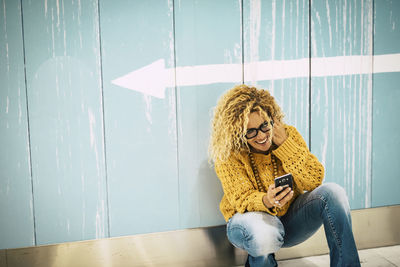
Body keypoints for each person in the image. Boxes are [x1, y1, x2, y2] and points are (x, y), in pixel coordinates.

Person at [209, 85, 360, 267]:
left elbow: (314, 179)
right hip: (248, 224)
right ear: (238, 133)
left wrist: (285, 145)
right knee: (263, 234)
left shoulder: (287, 135)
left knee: (334, 193)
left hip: (289, 221)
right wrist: (266, 200)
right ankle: (263, 260)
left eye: (265, 125)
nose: (262, 136)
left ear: (272, 119)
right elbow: (241, 199)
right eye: (251, 131)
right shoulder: (229, 153)